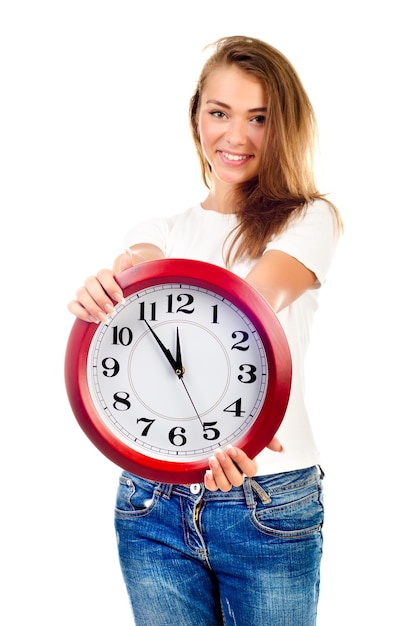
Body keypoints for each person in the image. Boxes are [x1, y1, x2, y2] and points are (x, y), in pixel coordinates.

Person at [68, 35, 342, 626]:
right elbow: (139, 262)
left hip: (265, 500)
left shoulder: (308, 219)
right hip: (153, 503)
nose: (235, 136)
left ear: (284, 126)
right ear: (197, 117)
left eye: (259, 118)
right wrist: (114, 284)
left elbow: (253, 305)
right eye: (219, 112)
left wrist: (146, 289)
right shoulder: (158, 229)